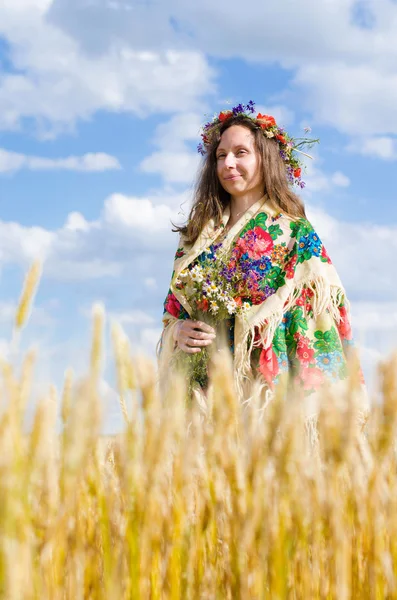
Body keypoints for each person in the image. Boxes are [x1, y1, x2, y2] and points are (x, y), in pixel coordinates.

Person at [156, 101, 369, 428]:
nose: (229, 163)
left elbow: (322, 311)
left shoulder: (292, 231)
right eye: (221, 155)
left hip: (267, 386)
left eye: (241, 153)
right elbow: (174, 311)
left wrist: (259, 324)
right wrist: (178, 332)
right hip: (206, 386)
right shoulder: (196, 237)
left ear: (264, 159)